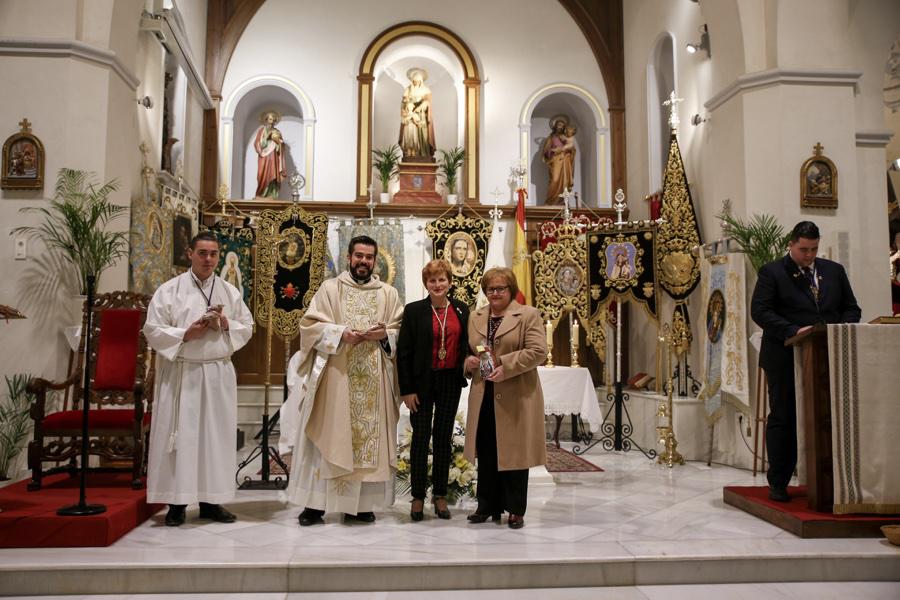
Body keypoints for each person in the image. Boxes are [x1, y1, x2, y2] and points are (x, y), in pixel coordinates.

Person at [285, 235, 404, 525]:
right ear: (348, 258)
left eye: (369, 257)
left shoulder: (388, 294)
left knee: (366, 441)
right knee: (328, 436)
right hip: (336, 379)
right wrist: (340, 334)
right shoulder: (329, 289)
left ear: (375, 261)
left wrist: (385, 336)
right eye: (359, 256)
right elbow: (310, 327)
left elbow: (401, 331)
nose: (363, 261)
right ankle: (315, 506)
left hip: (373, 383)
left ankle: (361, 506)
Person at [143, 231, 254, 526]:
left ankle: (211, 501)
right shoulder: (169, 290)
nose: (208, 259)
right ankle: (177, 503)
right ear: (190, 253)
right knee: (179, 439)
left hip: (217, 372)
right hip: (182, 373)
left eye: (213, 254)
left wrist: (225, 323)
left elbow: (247, 326)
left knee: (214, 438)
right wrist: (185, 334)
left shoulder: (229, 292)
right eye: (202, 253)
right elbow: (152, 329)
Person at [750, 221, 861, 503]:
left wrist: (838, 329)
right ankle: (778, 481)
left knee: (829, 416)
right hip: (785, 355)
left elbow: (851, 307)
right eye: (803, 250)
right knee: (784, 416)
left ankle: (832, 480)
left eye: (813, 249)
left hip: (827, 354)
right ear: (791, 244)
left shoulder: (833, 272)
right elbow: (760, 311)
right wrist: (792, 331)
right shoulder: (773, 272)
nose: (809, 255)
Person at [462, 267, 547, 529]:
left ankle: (515, 508)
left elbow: (538, 351)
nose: (495, 293)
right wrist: (469, 361)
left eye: (500, 288)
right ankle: (487, 505)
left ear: (511, 290)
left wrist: (505, 365)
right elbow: (467, 352)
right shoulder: (475, 317)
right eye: (490, 289)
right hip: (483, 393)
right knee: (487, 450)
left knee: (514, 452)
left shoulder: (527, 314)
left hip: (515, 393)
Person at [396, 259, 470, 521]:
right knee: (421, 437)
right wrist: (407, 390)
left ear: (450, 281)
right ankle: (417, 496)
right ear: (426, 283)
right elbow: (403, 354)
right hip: (421, 383)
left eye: (442, 279)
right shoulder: (415, 310)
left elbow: (466, 346)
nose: (437, 284)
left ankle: (439, 495)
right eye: (432, 280)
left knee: (443, 437)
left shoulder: (462, 310)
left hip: (450, 380)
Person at [397, 68, 435, 160]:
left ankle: (424, 154)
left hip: (422, 116)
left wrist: (421, 106)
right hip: (410, 117)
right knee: (410, 136)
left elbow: (428, 102)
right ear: (412, 80)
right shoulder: (408, 89)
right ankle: (410, 153)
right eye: (414, 81)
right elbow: (403, 103)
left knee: (424, 136)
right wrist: (408, 106)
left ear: (421, 81)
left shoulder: (426, 90)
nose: (416, 83)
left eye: (418, 81)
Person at [541, 117, 576, 204]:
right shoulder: (551, 137)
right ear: (555, 126)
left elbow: (572, 148)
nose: (560, 127)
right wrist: (551, 151)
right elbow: (546, 151)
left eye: (562, 125)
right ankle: (550, 201)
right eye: (559, 125)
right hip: (555, 161)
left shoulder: (565, 137)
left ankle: (561, 201)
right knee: (555, 180)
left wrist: (565, 149)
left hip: (564, 161)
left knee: (564, 182)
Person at [254, 110, 287, 198]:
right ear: (266, 120)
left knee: (273, 173)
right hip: (264, 155)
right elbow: (257, 143)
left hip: (273, 155)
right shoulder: (261, 131)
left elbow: (282, 145)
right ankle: (261, 193)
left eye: (273, 120)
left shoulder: (277, 131)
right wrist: (267, 137)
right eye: (270, 120)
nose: (272, 122)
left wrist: (279, 142)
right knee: (262, 175)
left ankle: (272, 194)